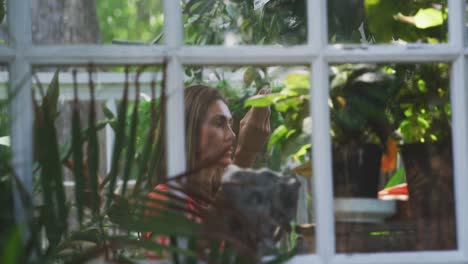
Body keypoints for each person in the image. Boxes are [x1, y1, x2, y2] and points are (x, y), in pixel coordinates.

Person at [152, 84, 271, 200]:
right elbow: (214, 219)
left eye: (230, 124)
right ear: (188, 131)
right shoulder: (165, 198)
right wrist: (246, 153)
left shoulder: (213, 196)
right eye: (219, 123)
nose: (232, 135)